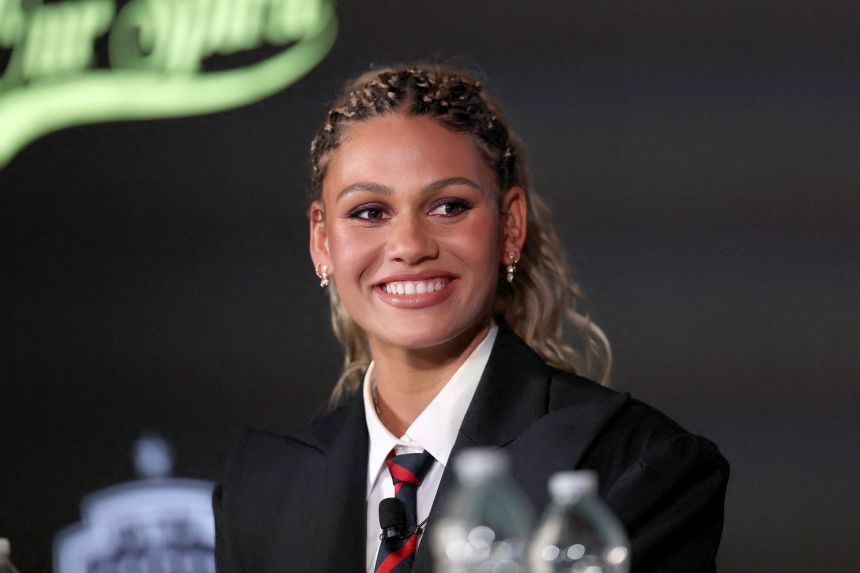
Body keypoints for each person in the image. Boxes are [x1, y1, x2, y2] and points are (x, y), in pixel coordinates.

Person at [213, 65, 729, 573]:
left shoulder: (637, 467)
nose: (410, 246)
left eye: (448, 207)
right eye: (370, 212)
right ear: (322, 241)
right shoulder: (260, 491)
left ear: (510, 226)